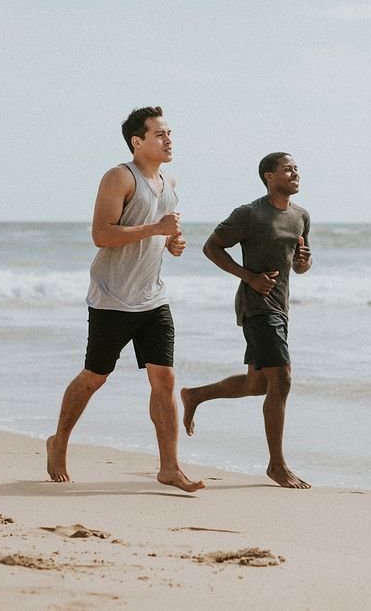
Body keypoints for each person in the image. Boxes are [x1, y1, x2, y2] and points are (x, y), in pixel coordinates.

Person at [46, 106, 204, 492]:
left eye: (170, 134)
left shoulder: (169, 180)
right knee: (95, 377)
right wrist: (157, 228)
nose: (169, 140)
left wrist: (173, 242)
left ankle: (169, 467)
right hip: (113, 297)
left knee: (164, 378)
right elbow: (102, 234)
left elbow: (163, 234)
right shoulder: (119, 177)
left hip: (152, 296)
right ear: (138, 141)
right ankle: (59, 441)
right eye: (160, 135)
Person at [180, 152, 312, 489]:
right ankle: (277, 465)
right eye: (287, 169)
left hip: (280, 307)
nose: (295, 172)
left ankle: (194, 395)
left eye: (296, 168)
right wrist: (249, 277)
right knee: (281, 378)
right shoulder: (250, 214)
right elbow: (212, 247)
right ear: (269, 177)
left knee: (259, 385)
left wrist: (304, 262)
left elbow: (297, 266)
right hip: (256, 306)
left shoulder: (300, 217)